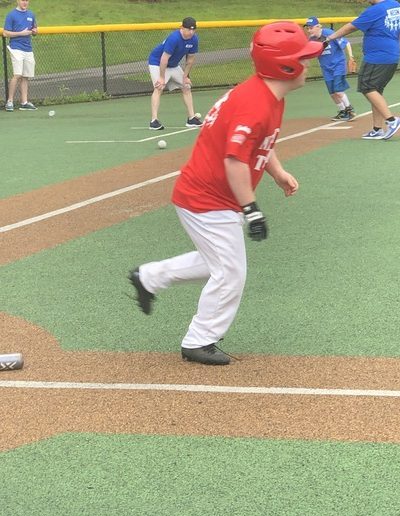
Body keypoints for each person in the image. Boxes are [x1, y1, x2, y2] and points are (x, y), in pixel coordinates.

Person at [129, 22, 324, 365]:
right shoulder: (257, 103)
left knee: (216, 262)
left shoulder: (267, 95)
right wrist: (252, 209)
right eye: (302, 59)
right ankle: (198, 340)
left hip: (209, 195)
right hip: (207, 198)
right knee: (231, 271)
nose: (308, 64)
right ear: (284, 67)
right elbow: (235, 160)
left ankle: (149, 277)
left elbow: (260, 143)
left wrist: (277, 172)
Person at [324, 0, 400, 140]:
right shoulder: (396, 5)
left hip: (377, 57)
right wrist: (397, 50)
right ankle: (377, 129)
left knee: (367, 87)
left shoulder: (375, 10)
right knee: (376, 91)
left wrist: (329, 38)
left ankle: (392, 120)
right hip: (391, 56)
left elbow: (351, 27)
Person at [147, 16, 203, 130]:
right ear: (182, 28)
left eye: (193, 30)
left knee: (186, 86)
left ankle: (191, 119)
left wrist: (185, 76)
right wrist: (162, 77)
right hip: (157, 63)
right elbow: (164, 59)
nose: (191, 32)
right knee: (159, 87)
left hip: (172, 65)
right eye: (189, 29)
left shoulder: (194, 39)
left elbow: (190, 60)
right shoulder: (174, 38)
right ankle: (154, 121)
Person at [305, 16, 356, 121]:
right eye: (308, 28)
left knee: (338, 91)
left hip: (338, 65)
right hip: (326, 68)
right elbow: (308, 53)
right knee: (332, 93)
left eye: (311, 27)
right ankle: (343, 111)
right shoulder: (311, 40)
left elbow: (346, 43)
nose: (309, 30)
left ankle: (350, 110)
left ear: (318, 26)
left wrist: (351, 57)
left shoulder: (329, 33)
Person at [3, 0, 38, 112]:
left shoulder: (31, 14)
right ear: (18, 1)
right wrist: (21, 33)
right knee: (17, 75)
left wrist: (34, 31)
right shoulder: (11, 15)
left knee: (25, 76)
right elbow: (5, 33)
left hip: (28, 49)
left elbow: (35, 29)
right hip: (16, 48)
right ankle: (10, 101)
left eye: (27, 0)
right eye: (23, 0)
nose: (25, 2)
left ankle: (24, 102)